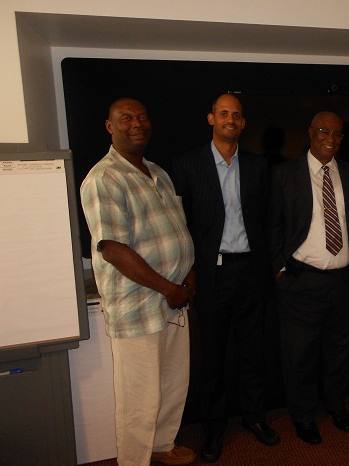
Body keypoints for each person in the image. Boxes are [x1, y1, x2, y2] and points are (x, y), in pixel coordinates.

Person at [80, 98, 196, 466]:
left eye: (143, 117)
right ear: (109, 126)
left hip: (174, 300)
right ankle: (133, 461)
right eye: (126, 118)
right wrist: (169, 288)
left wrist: (188, 274)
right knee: (138, 397)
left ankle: (162, 445)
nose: (137, 124)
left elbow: (177, 230)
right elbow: (113, 248)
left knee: (173, 384)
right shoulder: (104, 178)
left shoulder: (157, 171)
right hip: (139, 307)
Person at [172, 94, 279, 462]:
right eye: (223, 114)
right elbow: (180, 226)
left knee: (253, 355)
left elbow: (267, 220)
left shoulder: (258, 165)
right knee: (212, 360)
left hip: (252, 271)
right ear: (211, 119)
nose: (230, 119)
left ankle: (254, 418)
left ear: (243, 123)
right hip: (210, 274)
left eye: (236, 115)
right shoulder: (188, 165)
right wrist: (188, 273)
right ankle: (214, 430)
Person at [269, 111, 349, 445]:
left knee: (340, 351)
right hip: (300, 282)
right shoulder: (285, 174)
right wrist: (280, 270)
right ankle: (302, 415)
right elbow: (272, 226)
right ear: (311, 132)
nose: (331, 137)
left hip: (343, 281)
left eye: (338, 133)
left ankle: (336, 406)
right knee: (299, 355)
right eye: (324, 130)